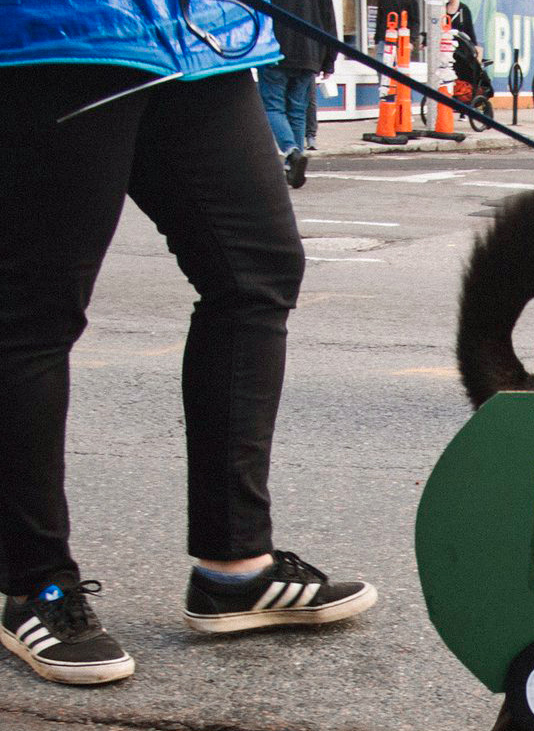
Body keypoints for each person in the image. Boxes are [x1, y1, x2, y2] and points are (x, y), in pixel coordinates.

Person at [0, 1, 377, 687]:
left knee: (256, 271)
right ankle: (34, 584)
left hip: (203, 36)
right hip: (61, 34)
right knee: (35, 311)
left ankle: (234, 565)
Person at [260, 0, 337, 188]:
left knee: (273, 107)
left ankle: (291, 152)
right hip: (309, 53)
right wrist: (329, 61)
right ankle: (293, 167)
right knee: (297, 111)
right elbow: (329, 21)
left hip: (274, 50)